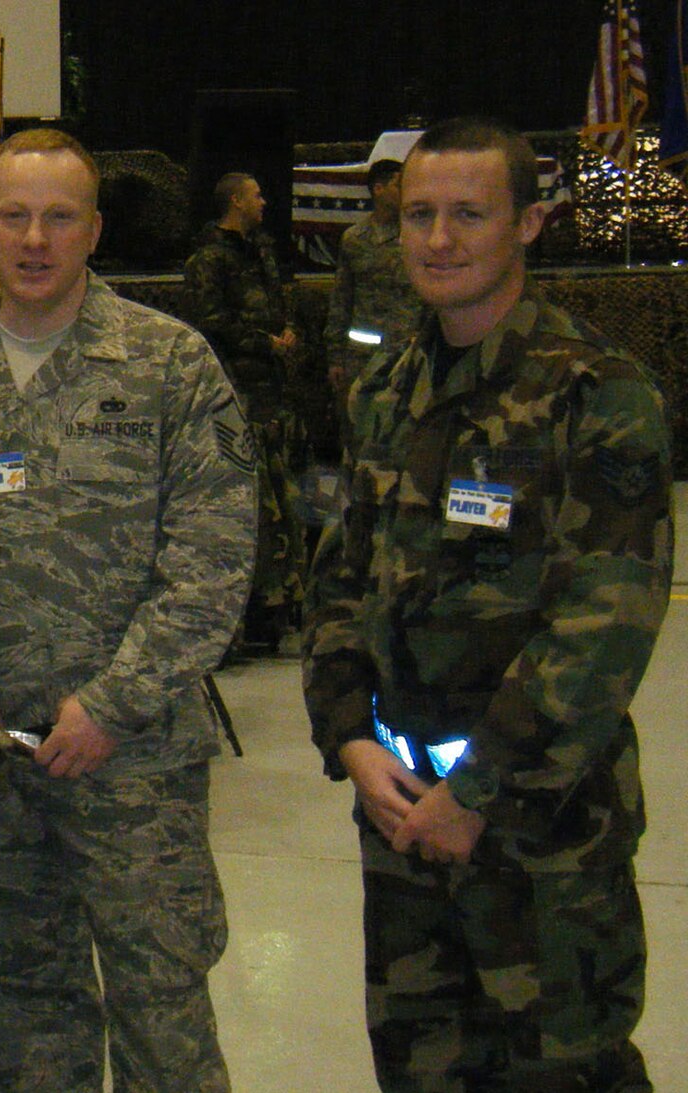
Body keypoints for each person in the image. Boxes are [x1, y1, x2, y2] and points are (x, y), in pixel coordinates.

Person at [303, 117, 671, 1093]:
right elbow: (336, 574)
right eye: (418, 214)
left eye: (468, 213)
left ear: (529, 222)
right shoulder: (381, 391)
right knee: (419, 1068)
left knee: (562, 1070)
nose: (438, 237)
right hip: (398, 821)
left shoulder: (594, 393)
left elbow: (607, 620)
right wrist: (348, 735)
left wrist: (481, 793)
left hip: (537, 839)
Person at [0, 128, 254, 1093]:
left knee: (162, 1008)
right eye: (14, 216)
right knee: (20, 1007)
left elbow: (214, 560)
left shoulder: (169, 366)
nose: (35, 238)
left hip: (134, 762)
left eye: (59, 217)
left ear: (94, 231)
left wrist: (112, 703)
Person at [183, 171, 304, 651]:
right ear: (235, 200)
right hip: (236, 397)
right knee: (251, 504)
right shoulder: (208, 260)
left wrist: (288, 333)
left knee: (283, 498)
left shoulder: (263, 253)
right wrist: (261, 342)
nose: (264, 201)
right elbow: (207, 325)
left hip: (274, 395)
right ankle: (241, 620)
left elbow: (278, 305)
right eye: (256, 193)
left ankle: (282, 611)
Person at [322, 159, 421, 417]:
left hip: (411, 354)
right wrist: (335, 357)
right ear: (378, 189)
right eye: (400, 185)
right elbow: (341, 299)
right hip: (364, 357)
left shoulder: (419, 236)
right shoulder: (356, 239)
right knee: (359, 429)